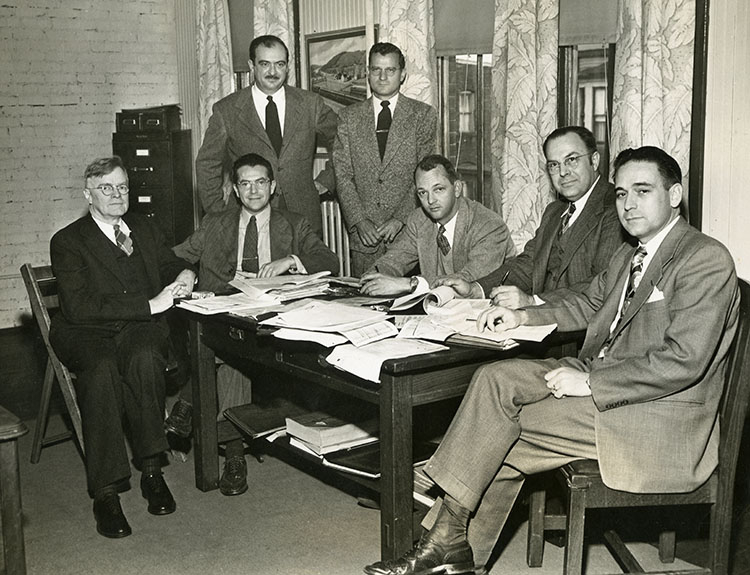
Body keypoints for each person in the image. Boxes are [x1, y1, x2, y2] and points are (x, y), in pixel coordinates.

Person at [363, 146, 740, 575]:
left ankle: (446, 541)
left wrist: (593, 384)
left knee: (504, 427)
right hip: (610, 381)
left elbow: (684, 362)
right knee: (494, 379)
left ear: (674, 196)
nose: (628, 204)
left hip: (658, 418)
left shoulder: (704, 258)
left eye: (642, 191)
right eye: (620, 194)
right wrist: (523, 314)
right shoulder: (631, 253)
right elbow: (586, 303)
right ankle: (453, 548)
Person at [171, 152, 339, 496]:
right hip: (223, 308)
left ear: (272, 186)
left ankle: (188, 401)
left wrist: (290, 260)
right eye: (244, 183)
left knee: (233, 354)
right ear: (234, 189)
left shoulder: (292, 223)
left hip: (271, 314)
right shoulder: (215, 223)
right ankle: (235, 454)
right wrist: (187, 272)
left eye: (260, 182)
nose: (253, 191)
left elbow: (329, 260)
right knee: (233, 354)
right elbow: (174, 256)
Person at [49, 156, 197, 538]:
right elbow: (79, 307)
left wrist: (184, 273)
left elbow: (168, 264)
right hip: (86, 331)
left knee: (146, 358)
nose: (116, 195)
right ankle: (107, 492)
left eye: (122, 187)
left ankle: (151, 469)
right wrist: (150, 305)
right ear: (88, 195)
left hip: (136, 328)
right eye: (106, 188)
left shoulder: (145, 229)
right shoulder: (67, 241)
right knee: (100, 372)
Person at [441, 126, 627, 309]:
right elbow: (527, 265)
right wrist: (475, 289)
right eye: (554, 165)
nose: (563, 172)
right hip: (542, 326)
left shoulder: (615, 206)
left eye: (571, 160)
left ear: (594, 161)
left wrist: (533, 302)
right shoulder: (554, 211)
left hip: (584, 332)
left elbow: (601, 285)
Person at [196, 34, 338, 235]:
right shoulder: (226, 110)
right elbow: (207, 163)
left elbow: (345, 140)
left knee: (307, 266)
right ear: (252, 66)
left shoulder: (310, 104)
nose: (273, 72)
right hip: (247, 219)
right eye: (265, 64)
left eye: (279, 64)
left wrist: (327, 180)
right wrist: (218, 213)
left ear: (287, 67)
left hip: (302, 217)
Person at [333, 42, 438, 276]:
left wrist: (401, 219)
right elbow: (342, 176)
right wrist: (359, 220)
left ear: (402, 75)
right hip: (364, 239)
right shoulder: (348, 117)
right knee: (366, 303)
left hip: (409, 233)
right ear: (368, 73)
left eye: (390, 70)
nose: (382, 77)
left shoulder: (422, 115)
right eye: (376, 69)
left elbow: (426, 175)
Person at [360, 154, 515, 297]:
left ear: (457, 189)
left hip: (486, 311)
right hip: (439, 311)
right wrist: (373, 277)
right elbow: (395, 259)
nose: (431, 200)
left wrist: (410, 284)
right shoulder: (418, 220)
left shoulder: (489, 225)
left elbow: (463, 283)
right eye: (422, 193)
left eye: (438, 189)